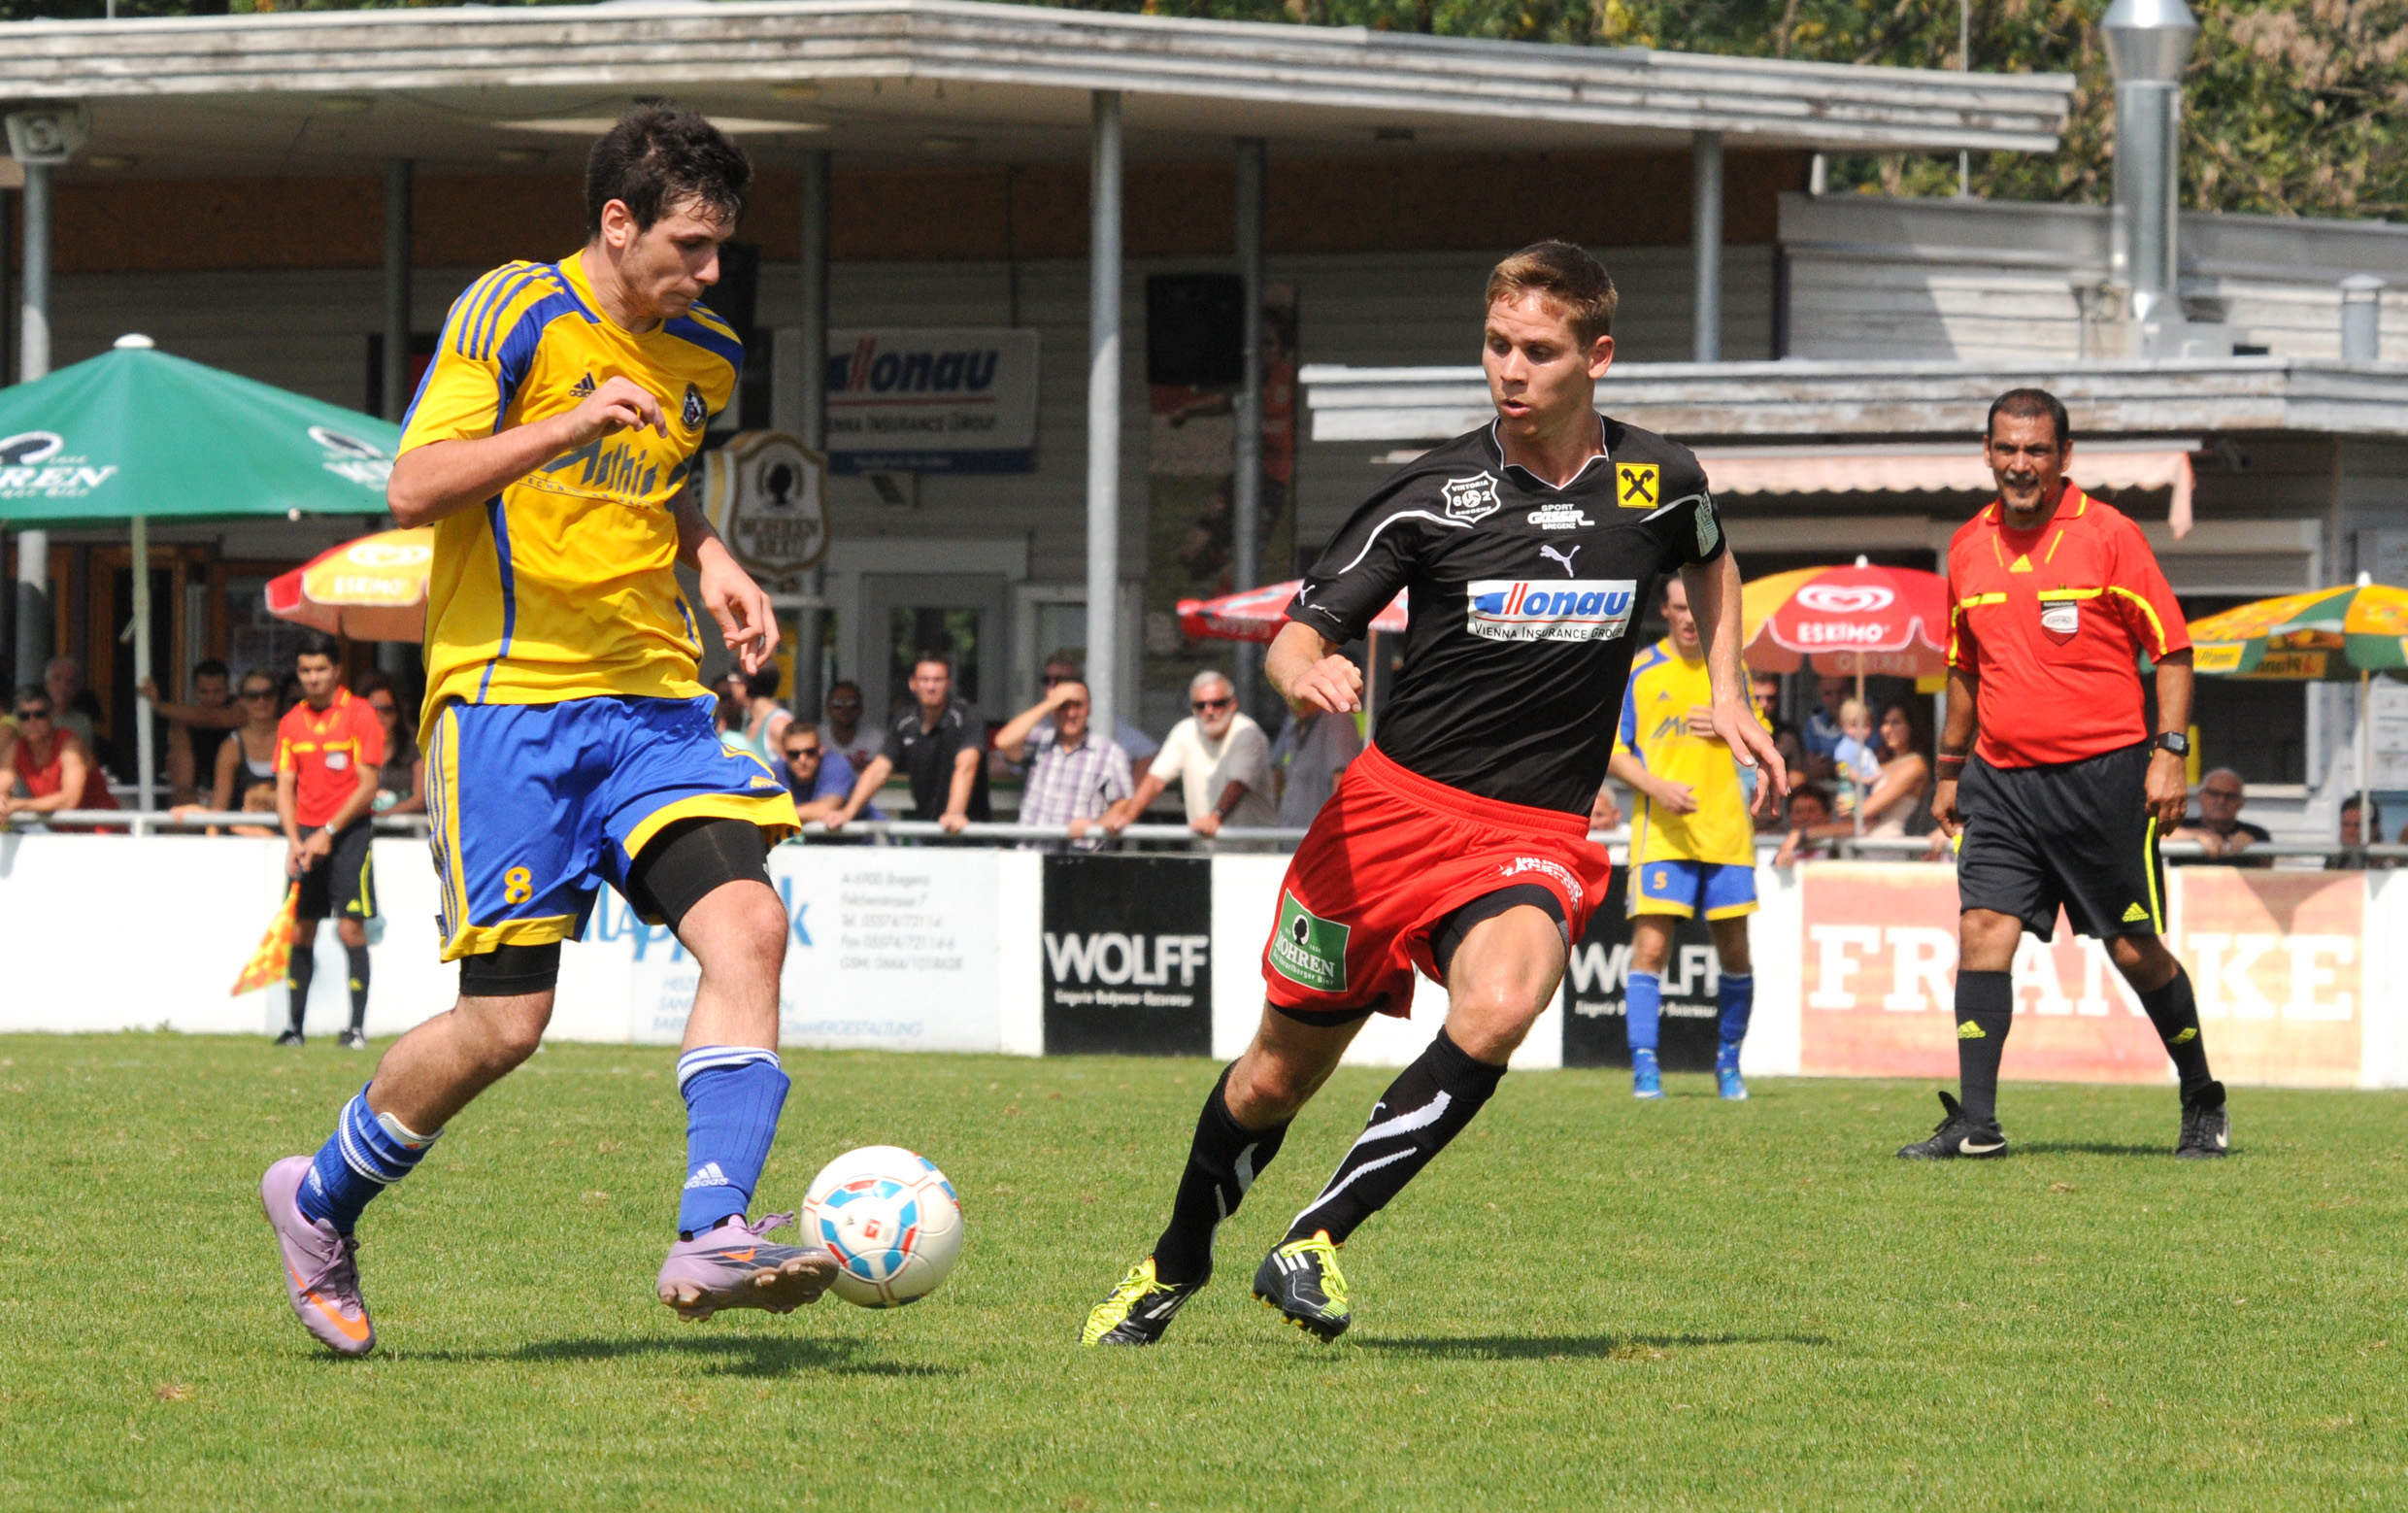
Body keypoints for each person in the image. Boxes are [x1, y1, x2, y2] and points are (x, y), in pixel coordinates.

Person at [1080, 240, 1782, 1347]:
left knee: (1503, 1003)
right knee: (1271, 1082)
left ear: (1596, 356)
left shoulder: (1659, 480)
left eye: (1537, 351)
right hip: (1384, 821)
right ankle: (1171, 1265)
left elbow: (1711, 556)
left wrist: (1730, 690)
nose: (1510, 369)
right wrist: (1303, 672)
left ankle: (1315, 1237)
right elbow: (1298, 634)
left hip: (1528, 830)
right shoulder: (1431, 494)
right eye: (1496, 345)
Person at [259, 109, 824, 1360]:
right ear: (617, 223)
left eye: (721, 249)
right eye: (688, 246)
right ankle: (318, 1199)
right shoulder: (512, 309)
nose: (709, 272)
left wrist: (713, 555)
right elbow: (412, 484)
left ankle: (713, 1228)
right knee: (505, 1025)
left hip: (654, 702)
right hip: (507, 706)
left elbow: (661, 484)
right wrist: (569, 420)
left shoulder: (707, 353)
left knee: (750, 925)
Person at [1904, 387, 2226, 1163]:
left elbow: (2172, 649)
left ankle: (2201, 1096)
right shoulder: (1966, 547)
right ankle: (1977, 1123)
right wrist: (1948, 770)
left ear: (2064, 456)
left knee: (2134, 950)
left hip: (2103, 779)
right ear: (1987, 453)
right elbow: (1964, 667)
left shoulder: (2109, 535)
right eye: (2007, 449)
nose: (2021, 464)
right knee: (1982, 929)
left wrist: (2170, 752)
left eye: (2037, 450)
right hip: (2001, 782)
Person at [1607, 576, 1768, 1100]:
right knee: (1650, 949)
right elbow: (1612, 750)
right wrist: (1656, 787)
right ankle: (1645, 1068)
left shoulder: (1732, 672)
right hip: (1663, 836)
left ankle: (1729, 1064)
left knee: (1736, 953)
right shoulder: (1641, 671)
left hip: (1726, 833)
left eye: (1693, 608)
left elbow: (1761, 742)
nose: (1687, 618)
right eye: (1678, 608)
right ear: (1665, 611)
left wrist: (1728, 728)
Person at [274, 634, 386, 1053]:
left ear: (337, 670)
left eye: (321, 668)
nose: (313, 677)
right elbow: (284, 785)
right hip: (305, 835)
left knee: (350, 927)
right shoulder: (291, 722)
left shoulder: (360, 715)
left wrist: (329, 831)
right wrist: (294, 840)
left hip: (349, 833)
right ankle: (294, 1028)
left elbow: (368, 785)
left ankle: (355, 1029)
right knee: (300, 928)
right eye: (305, 670)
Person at [827, 652, 991, 833]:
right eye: (924, 680)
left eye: (938, 680)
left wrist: (954, 813)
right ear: (913, 684)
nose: (931, 687)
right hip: (929, 831)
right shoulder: (904, 722)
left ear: (948, 683)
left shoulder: (968, 716)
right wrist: (847, 813)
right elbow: (878, 770)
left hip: (969, 831)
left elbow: (966, 767)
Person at [1104, 670, 1275, 836]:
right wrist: (1127, 817)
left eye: (1218, 704)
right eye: (1200, 706)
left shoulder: (1246, 732)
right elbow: (1156, 780)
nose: (1209, 711)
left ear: (1233, 704)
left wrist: (1216, 817)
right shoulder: (1185, 731)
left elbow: (1238, 783)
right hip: (1206, 847)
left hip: (1251, 848)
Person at [996, 678, 1133, 843]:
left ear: (1089, 708)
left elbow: (1124, 803)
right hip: (1030, 851)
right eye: (1063, 706)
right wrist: (1048, 704)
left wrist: (1095, 828)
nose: (1071, 714)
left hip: (1079, 853)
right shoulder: (1038, 741)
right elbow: (1004, 742)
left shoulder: (1110, 753)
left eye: (1078, 705)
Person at [0, 685, 116, 823]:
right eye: (24, 716)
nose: (32, 721)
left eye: (40, 714)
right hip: (58, 829)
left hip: (102, 828)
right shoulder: (16, 747)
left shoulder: (70, 746)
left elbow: (69, 801)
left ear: (52, 715)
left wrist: (18, 805)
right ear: (18, 720)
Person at [142, 658, 239, 805]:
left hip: (239, 791)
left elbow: (210, 717)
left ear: (228, 689)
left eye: (218, 691)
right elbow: (183, 781)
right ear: (194, 692)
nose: (211, 697)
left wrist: (159, 706)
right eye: (204, 692)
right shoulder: (182, 723)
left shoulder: (239, 710)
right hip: (201, 792)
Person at [1039, 651, 1159, 764]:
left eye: (1059, 680)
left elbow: (1148, 752)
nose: (1051, 685)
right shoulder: (1040, 720)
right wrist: (1048, 705)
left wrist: (1133, 781)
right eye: (1047, 680)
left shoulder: (1096, 717)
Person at [1269, 702, 1362, 830]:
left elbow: (1341, 781)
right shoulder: (1291, 722)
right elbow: (1276, 769)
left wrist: (1335, 831)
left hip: (1318, 833)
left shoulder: (1336, 720)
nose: (1295, 701)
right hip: (1289, 832)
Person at [2170, 767, 2270, 867]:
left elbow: (2267, 869)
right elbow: (2161, 835)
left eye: (2229, 796)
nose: (2221, 801)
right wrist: (2195, 836)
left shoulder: (2256, 833)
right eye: (2214, 793)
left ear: (2241, 802)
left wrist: (2251, 847)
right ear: (2200, 796)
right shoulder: (2179, 826)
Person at [356, 671, 425, 816]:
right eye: (374, 710)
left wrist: (380, 816)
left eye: (387, 710)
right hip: (360, 824)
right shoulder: (352, 746)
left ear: (397, 712)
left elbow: (420, 799)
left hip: (406, 826)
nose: (380, 715)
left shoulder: (413, 746)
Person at [777, 723, 857, 824]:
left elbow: (825, 810)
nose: (802, 760)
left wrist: (776, 815)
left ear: (821, 749)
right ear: (783, 754)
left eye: (810, 752)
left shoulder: (837, 766)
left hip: (862, 832)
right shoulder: (775, 772)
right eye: (794, 754)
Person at [726, 664, 792, 769]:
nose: (730, 687)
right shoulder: (751, 721)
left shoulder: (779, 724)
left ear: (743, 684)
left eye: (731, 680)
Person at [817, 679, 877, 775]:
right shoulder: (816, 737)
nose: (845, 709)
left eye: (852, 703)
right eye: (837, 703)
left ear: (861, 708)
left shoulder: (877, 740)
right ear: (827, 707)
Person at [44, 656, 102, 753]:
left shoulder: (83, 723)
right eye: (57, 678)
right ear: (47, 684)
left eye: (69, 681)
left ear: (76, 689)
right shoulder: (31, 716)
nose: (63, 686)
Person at [1773, 783, 1839, 864]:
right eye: (1798, 811)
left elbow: (1852, 829)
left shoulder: (1837, 849)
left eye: (1811, 810)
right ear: (1790, 816)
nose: (1804, 817)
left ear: (1827, 815)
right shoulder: (1778, 849)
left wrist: (1801, 833)